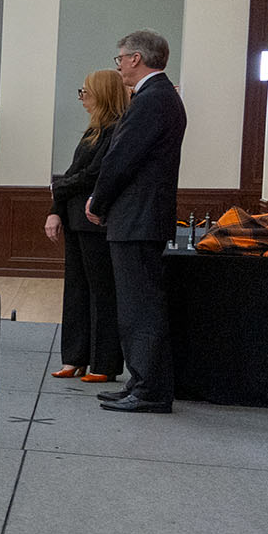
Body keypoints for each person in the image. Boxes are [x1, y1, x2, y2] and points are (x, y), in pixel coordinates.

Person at [86, 30, 187, 414]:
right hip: (142, 216)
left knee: (140, 308)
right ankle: (141, 383)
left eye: (120, 59)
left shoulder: (152, 99)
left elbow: (121, 157)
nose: (119, 66)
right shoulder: (160, 97)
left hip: (138, 217)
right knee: (137, 306)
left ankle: (149, 390)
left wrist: (99, 198)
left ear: (135, 59)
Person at [47, 70, 129, 383]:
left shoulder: (115, 129)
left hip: (95, 223)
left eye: (87, 92)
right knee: (76, 292)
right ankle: (75, 357)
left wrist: (59, 187)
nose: (83, 98)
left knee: (101, 293)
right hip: (75, 219)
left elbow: (95, 175)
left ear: (104, 94)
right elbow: (72, 174)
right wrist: (55, 208)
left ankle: (104, 363)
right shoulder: (93, 130)